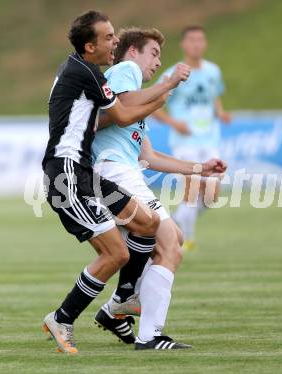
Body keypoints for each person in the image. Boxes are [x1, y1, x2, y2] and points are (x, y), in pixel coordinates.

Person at [91, 27, 227, 350]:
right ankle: (145, 330)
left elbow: (149, 156)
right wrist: (167, 85)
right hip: (114, 174)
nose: (157, 62)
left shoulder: (137, 98)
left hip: (127, 174)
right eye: (153, 53)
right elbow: (122, 107)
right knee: (169, 243)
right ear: (133, 52)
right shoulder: (124, 72)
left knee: (174, 239)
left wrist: (200, 168)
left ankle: (118, 310)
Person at [41, 11, 166, 354]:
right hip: (65, 176)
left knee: (147, 222)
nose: (115, 42)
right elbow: (124, 115)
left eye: (114, 36)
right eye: (108, 37)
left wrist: (156, 96)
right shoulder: (85, 73)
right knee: (116, 252)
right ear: (89, 45)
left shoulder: (80, 71)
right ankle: (62, 318)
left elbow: (119, 113)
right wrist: (165, 90)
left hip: (83, 173)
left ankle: (124, 299)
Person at [153, 26, 231, 250]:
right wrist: (174, 123)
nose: (196, 44)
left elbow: (214, 97)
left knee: (212, 195)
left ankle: (176, 220)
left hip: (209, 140)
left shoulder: (212, 71)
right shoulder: (174, 73)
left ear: (204, 44)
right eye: (192, 40)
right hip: (184, 142)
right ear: (183, 45)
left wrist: (221, 112)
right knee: (193, 189)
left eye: (200, 40)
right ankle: (186, 239)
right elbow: (155, 104)